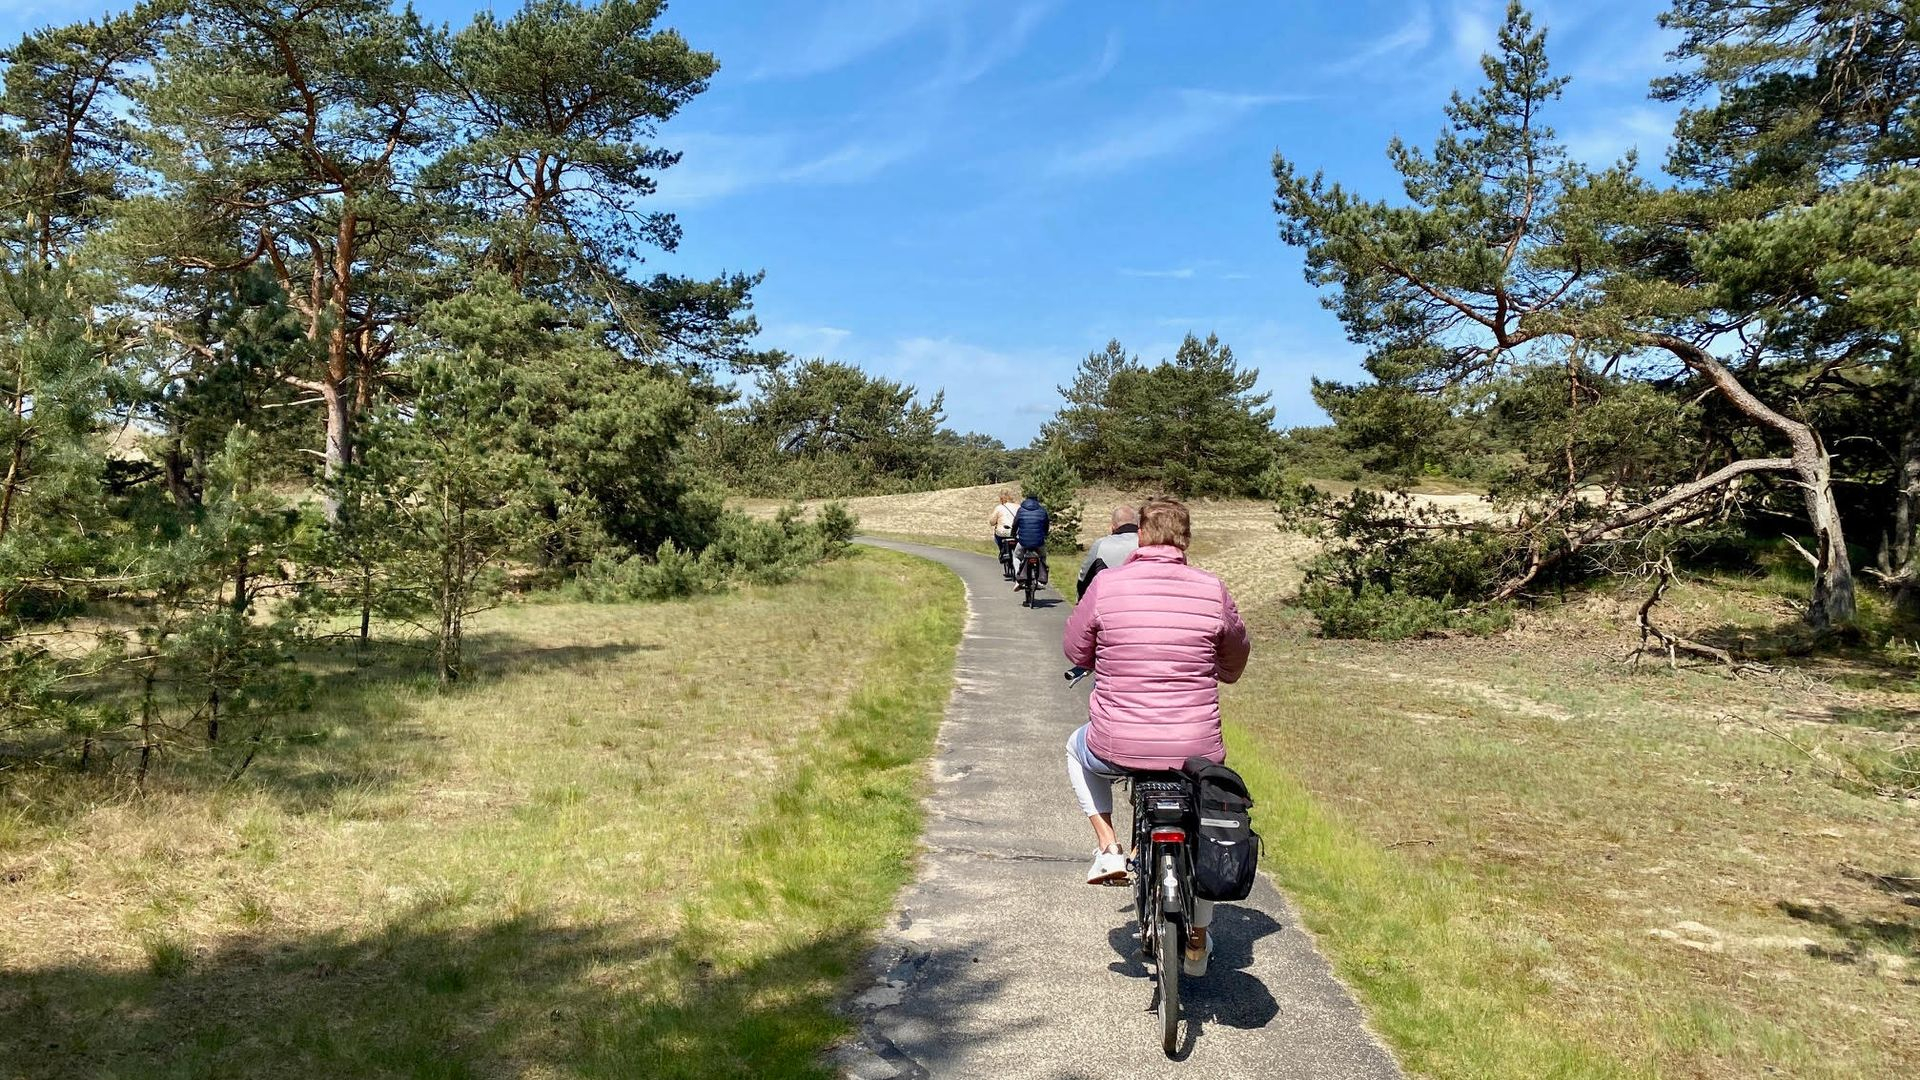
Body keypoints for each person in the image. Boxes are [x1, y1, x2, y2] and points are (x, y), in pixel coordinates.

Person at [1060, 498, 1251, 978]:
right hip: (1193, 749)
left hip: (1117, 742)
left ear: (1139, 536)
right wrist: (1219, 668)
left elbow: (1075, 647)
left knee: (1075, 750)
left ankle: (1107, 846)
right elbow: (1234, 658)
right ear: (1185, 539)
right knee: (1201, 831)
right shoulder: (1211, 590)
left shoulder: (1107, 585)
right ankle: (1198, 939)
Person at [1076, 504, 1139, 597]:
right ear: (1138, 524)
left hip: (1108, 601)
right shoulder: (1149, 544)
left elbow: (1084, 579)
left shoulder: (1101, 544)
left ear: (1112, 527)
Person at [1010, 490, 1050, 589]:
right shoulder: (1042, 510)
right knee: (1043, 556)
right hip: (1038, 541)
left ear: (1026, 499)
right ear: (1037, 500)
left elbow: (1015, 524)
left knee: (1016, 557)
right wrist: (1045, 534)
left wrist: (1013, 534)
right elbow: (1046, 525)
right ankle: (1041, 579)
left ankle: (1018, 578)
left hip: (1023, 541)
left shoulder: (1021, 510)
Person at [987, 490, 1019, 579]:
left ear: (1001, 499)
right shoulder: (1018, 507)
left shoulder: (999, 508)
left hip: (1002, 533)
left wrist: (995, 522)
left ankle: (1002, 551)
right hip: (1015, 532)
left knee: (997, 537)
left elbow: (992, 522)